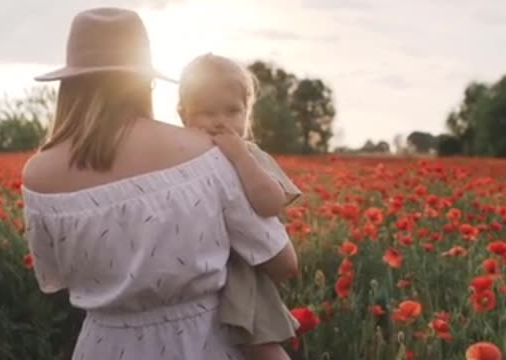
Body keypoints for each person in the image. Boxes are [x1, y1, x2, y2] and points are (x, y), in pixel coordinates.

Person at [20, 7, 298, 360]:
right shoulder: (206, 153)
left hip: (104, 346)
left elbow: (54, 277)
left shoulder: (37, 176)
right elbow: (283, 263)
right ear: (145, 80)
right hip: (202, 342)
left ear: (69, 84)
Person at [176, 54, 301, 360]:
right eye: (207, 112)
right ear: (183, 116)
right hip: (199, 271)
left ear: (248, 115)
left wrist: (240, 159)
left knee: (260, 346)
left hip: (243, 272)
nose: (221, 121)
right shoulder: (178, 156)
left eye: (233, 111)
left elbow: (271, 203)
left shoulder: (250, 154)